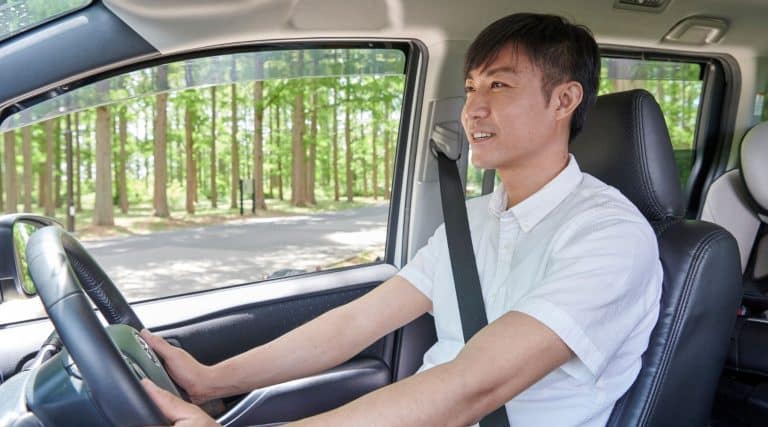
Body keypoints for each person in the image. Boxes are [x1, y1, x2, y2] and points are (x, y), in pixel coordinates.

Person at [140, 12, 662, 427]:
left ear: (564, 100)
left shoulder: (610, 238)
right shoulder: (474, 221)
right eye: (472, 86)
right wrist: (211, 382)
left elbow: (471, 388)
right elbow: (353, 325)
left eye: (498, 87)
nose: (472, 109)